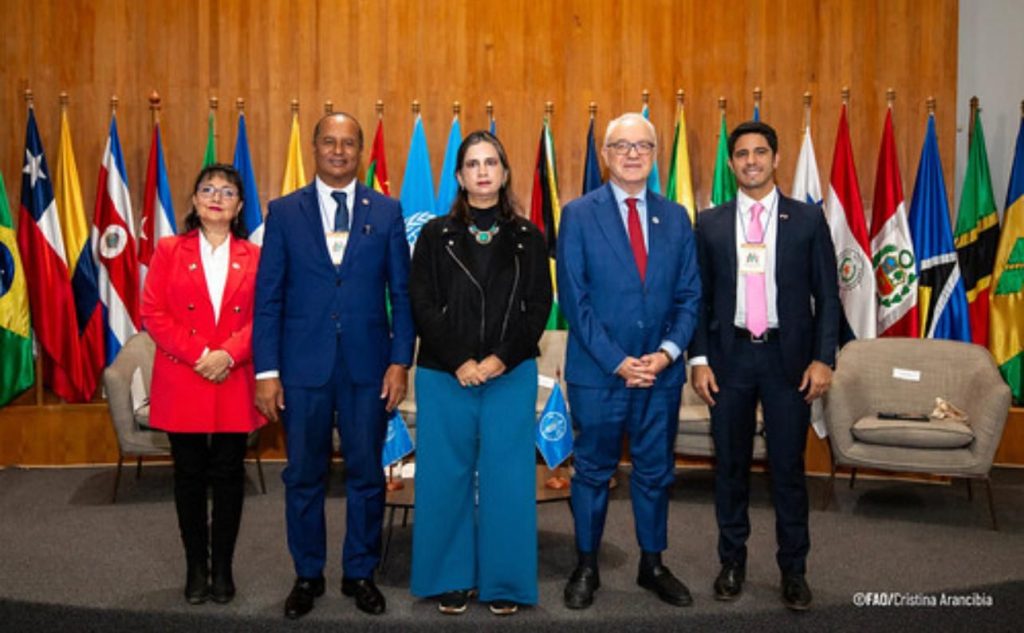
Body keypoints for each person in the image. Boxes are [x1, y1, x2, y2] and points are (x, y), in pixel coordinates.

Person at [253, 112, 415, 619]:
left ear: (360, 151)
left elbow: (403, 297)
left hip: (370, 370)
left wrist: (398, 362)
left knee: (367, 475)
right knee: (303, 476)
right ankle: (307, 575)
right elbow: (268, 299)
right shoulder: (283, 212)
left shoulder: (387, 212)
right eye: (329, 142)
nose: (339, 151)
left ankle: (359, 573)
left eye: (348, 143)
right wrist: (266, 371)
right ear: (315, 149)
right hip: (303, 370)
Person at [688, 120, 839, 611]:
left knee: (787, 470)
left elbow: (828, 296)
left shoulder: (808, 220)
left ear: (776, 159)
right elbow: (698, 297)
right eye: (742, 154)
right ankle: (731, 563)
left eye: (760, 153)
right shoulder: (709, 223)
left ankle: (793, 569)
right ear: (731, 164)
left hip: (788, 360)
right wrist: (700, 358)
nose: (751, 161)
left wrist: (823, 358)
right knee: (729, 466)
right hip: (729, 359)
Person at [556, 112, 701, 609]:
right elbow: (575, 301)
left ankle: (652, 564)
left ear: (655, 155)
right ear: (606, 155)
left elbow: (689, 297)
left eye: (643, 146)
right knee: (593, 471)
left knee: (655, 471)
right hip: (599, 374)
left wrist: (664, 356)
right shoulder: (578, 214)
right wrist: (619, 361)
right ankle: (586, 565)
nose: (633, 154)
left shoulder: (677, 216)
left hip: (659, 376)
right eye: (622, 146)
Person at [408, 130, 552, 617]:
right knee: (444, 476)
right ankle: (450, 578)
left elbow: (539, 307)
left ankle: (506, 582)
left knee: (507, 477)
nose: (483, 171)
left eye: (492, 162)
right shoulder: (433, 235)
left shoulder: (529, 237)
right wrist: (460, 361)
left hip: (508, 375)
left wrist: (498, 360)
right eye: (473, 164)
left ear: (505, 172)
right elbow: (421, 303)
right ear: (459, 176)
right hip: (445, 374)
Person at [141, 163, 265, 605]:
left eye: (227, 191)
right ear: (194, 201)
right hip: (184, 375)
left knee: (230, 476)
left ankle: (222, 569)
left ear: (239, 206)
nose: (216, 197)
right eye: (207, 189)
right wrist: (200, 355)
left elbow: (264, 315)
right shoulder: (169, 249)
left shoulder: (256, 256)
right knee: (189, 476)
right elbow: (152, 312)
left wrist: (229, 354)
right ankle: (195, 567)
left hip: (233, 376)